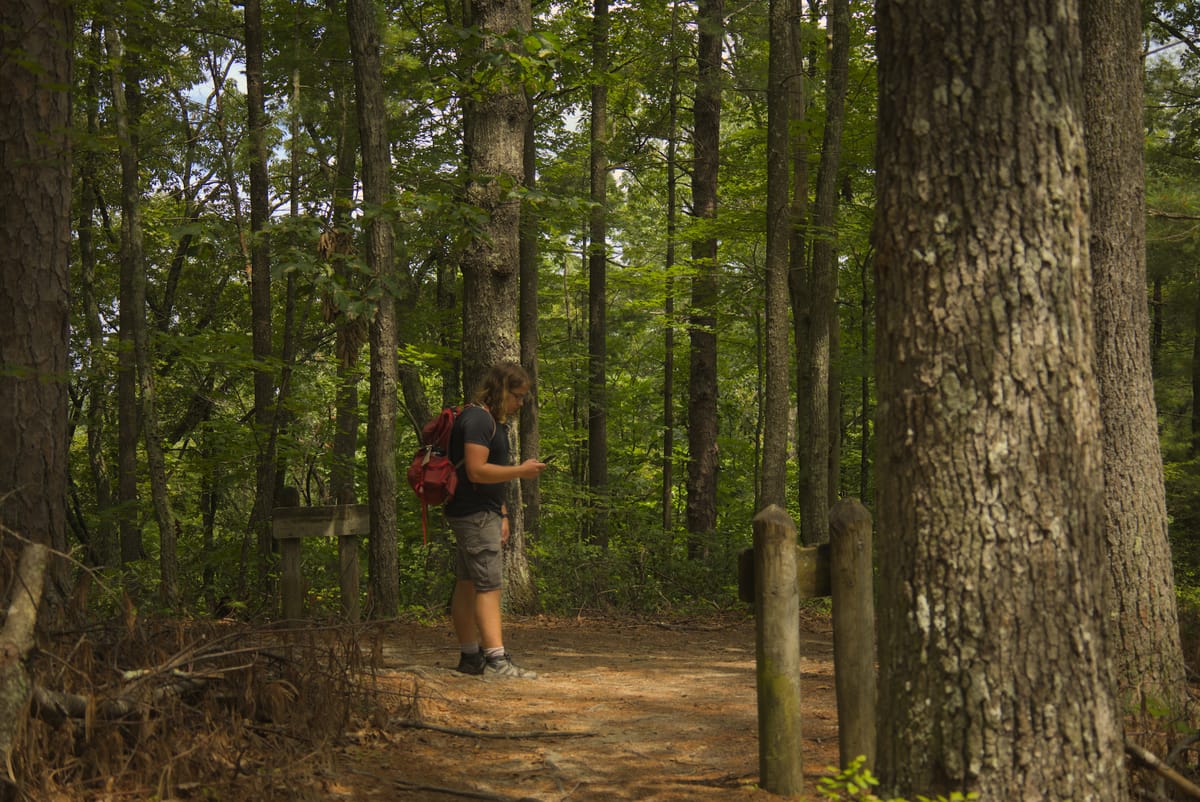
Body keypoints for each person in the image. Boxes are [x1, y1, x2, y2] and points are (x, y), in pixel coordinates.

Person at [445, 362, 546, 678]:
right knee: (489, 586)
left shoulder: (488, 421)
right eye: (517, 396)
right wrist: (521, 471)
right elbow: (476, 470)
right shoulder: (477, 419)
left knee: (467, 585)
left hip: (480, 512)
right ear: (502, 390)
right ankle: (496, 662)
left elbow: (485, 476)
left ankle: (471, 658)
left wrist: (501, 512)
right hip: (474, 515)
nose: (520, 403)